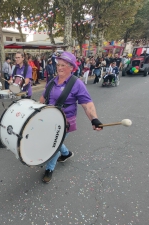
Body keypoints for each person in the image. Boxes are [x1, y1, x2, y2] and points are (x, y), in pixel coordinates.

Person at [39, 52, 103, 183]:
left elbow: (87, 104)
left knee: (54, 144)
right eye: (58, 65)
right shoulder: (52, 81)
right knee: (56, 141)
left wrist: (94, 119)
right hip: (50, 118)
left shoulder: (77, 84)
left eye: (63, 65)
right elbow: (43, 98)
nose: (59, 68)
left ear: (71, 67)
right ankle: (66, 153)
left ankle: (49, 169)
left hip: (65, 121)